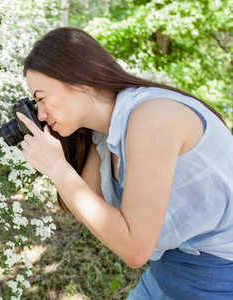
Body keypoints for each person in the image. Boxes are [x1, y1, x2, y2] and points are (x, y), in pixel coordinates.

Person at [16, 27, 233, 299]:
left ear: (80, 79)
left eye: (41, 99)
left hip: (219, 283)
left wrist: (59, 169)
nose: (42, 114)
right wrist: (54, 158)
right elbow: (89, 209)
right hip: (167, 276)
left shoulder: (153, 117)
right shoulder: (104, 135)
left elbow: (134, 250)